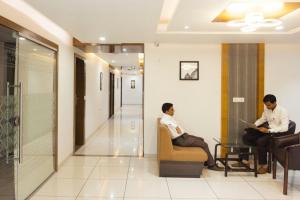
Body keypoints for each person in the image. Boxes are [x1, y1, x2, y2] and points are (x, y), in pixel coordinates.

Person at [160, 102, 223, 171]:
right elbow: (163, 122)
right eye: (172, 109)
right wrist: (176, 126)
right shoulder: (164, 119)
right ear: (166, 111)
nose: (174, 110)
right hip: (180, 140)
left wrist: (178, 128)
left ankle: (206, 162)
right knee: (204, 144)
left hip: (184, 136)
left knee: (201, 139)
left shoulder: (169, 118)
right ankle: (212, 165)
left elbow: (169, 123)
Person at [237, 94, 289, 174]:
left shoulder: (283, 111)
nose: (267, 107)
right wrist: (255, 124)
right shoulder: (267, 109)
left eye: (269, 105)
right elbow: (263, 119)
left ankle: (264, 166)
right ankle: (245, 161)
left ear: (275, 102)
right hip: (267, 130)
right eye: (265, 105)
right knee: (246, 136)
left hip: (276, 133)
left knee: (261, 141)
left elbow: (285, 128)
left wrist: (269, 130)